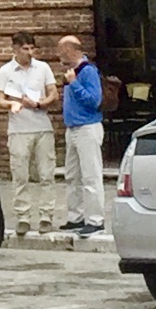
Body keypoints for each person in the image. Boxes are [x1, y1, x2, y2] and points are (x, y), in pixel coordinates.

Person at [0, 32, 58, 237]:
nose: (29, 53)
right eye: (25, 49)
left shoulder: (43, 68)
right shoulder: (6, 71)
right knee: (20, 174)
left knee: (46, 173)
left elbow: (53, 94)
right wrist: (13, 103)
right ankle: (23, 216)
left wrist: (39, 104)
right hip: (19, 129)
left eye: (32, 48)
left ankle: (46, 215)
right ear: (15, 49)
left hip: (42, 125)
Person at [56, 33, 105, 236]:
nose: (58, 54)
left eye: (60, 50)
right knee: (72, 176)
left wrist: (74, 83)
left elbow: (94, 100)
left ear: (70, 50)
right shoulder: (71, 71)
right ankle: (75, 217)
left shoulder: (87, 71)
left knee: (91, 175)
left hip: (87, 128)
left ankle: (95, 219)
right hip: (73, 128)